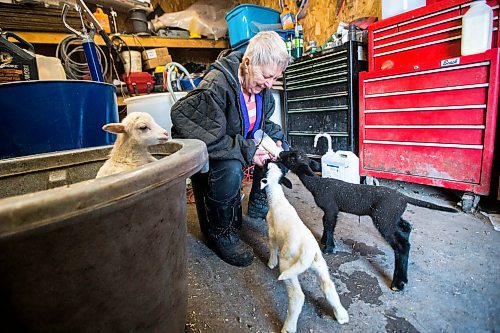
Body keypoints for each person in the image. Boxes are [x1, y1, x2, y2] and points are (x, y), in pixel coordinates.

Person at [171, 31, 292, 267]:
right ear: (247, 63)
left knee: (283, 147)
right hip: (212, 150)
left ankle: (259, 199)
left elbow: (260, 124)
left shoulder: (261, 90)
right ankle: (220, 232)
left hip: (236, 142)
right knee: (232, 169)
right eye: (266, 76)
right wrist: (249, 149)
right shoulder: (216, 86)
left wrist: (274, 141)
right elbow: (210, 139)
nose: (269, 84)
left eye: (275, 78)